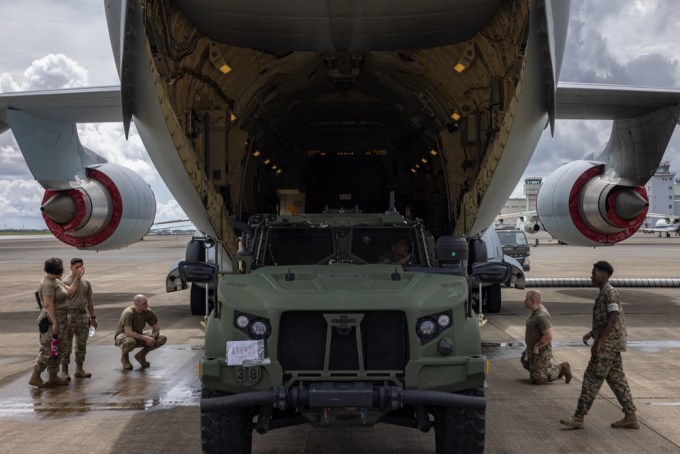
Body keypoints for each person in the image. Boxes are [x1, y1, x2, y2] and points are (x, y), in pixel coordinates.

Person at [560, 261, 639, 430]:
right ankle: (630, 416)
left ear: (603, 275)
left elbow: (613, 316)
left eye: (594, 273)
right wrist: (592, 333)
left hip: (608, 346)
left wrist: (599, 341)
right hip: (612, 344)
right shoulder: (605, 292)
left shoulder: (609, 292)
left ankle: (579, 417)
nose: (591, 276)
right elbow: (606, 319)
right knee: (617, 380)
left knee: (591, 378)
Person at [29, 257, 84, 388]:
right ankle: (35, 376)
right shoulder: (48, 283)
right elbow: (48, 305)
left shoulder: (56, 281)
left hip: (62, 319)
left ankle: (53, 377)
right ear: (57, 269)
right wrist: (55, 323)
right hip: (51, 321)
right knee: (48, 350)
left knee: (59, 349)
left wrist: (77, 278)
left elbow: (70, 291)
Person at [521, 290, 571, 384]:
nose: (524, 301)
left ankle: (561, 368)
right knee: (525, 360)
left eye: (527, 299)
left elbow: (549, 335)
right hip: (532, 350)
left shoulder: (541, 316)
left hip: (541, 351)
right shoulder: (536, 310)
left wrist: (537, 347)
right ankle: (541, 367)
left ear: (532, 301)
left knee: (537, 378)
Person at [59, 258, 97, 381]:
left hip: (83, 315)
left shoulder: (86, 282)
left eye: (81, 267)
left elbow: (90, 301)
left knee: (82, 344)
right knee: (67, 345)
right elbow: (64, 300)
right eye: (76, 267)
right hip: (70, 315)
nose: (79, 270)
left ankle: (79, 369)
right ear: (71, 268)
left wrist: (93, 317)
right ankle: (64, 371)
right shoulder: (65, 281)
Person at [114, 294, 167, 370]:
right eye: (144, 303)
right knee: (129, 342)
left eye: (146, 303)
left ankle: (141, 356)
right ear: (137, 304)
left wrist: (153, 336)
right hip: (124, 336)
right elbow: (128, 332)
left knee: (161, 338)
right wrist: (145, 338)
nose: (147, 305)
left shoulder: (147, 311)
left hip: (138, 334)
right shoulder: (128, 313)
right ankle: (124, 358)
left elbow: (156, 327)